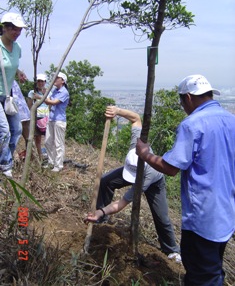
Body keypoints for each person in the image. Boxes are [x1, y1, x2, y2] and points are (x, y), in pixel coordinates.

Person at [136, 74, 235, 285]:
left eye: (182, 102)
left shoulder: (192, 124)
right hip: (226, 212)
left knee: (201, 276)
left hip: (203, 217)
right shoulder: (231, 120)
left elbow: (171, 168)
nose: (183, 106)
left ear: (188, 97)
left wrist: (145, 154)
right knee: (213, 269)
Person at [84, 106, 181, 263]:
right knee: (106, 181)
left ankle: (172, 250)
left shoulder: (147, 177)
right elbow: (136, 118)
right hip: (135, 170)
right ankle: (101, 219)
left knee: (161, 217)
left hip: (154, 181)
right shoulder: (136, 145)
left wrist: (100, 211)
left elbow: (121, 203)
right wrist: (117, 111)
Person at [0, 12, 27, 178]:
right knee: (4, 131)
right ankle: (5, 165)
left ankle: (4, 157)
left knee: (17, 129)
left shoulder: (17, 48)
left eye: (19, 30)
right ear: (4, 28)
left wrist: (18, 72)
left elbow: (10, 64)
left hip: (7, 96)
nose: (17, 33)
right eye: (14, 29)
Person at [44, 72, 69, 172]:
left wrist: (41, 97)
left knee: (59, 143)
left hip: (59, 120)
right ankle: (51, 162)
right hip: (52, 119)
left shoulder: (64, 92)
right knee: (48, 142)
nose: (54, 79)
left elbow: (52, 102)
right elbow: (49, 99)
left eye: (57, 78)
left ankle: (58, 165)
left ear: (62, 81)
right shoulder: (55, 90)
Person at [27, 73, 51, 160]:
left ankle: (49, 155)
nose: (40, 83)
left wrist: (40, 97)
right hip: (36, 117)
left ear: (45, 82)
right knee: (37, 138)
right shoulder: (32, 93)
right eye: (39, 81)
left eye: (42, 81)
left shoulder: (48, 92)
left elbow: (50, 104)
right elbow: (29, 105)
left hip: (46, 117)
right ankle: (40, 156)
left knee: (48, 138)